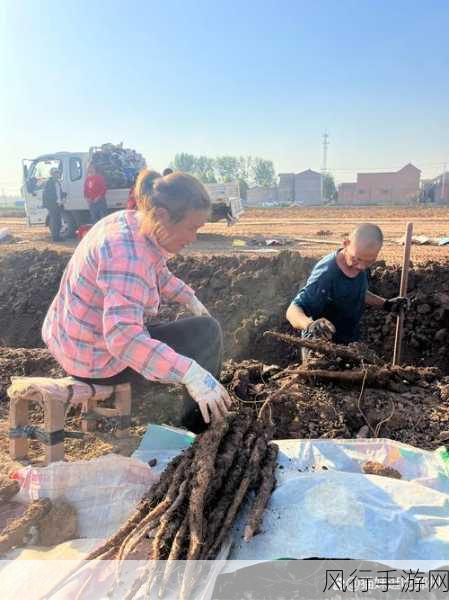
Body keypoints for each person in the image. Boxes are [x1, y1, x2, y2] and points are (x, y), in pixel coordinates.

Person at [42, 169, 232, 433]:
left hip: (72, 340)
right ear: (164, 216)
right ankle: (200, 431)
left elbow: (157, 270)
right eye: (191, 228)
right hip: (96, 361)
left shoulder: (131, 222)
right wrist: (190, 373)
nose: (193, 238)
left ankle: (199, 408)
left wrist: (189, 298)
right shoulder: (128, 258)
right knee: (206, 333)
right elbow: (123, 338)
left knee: (187, 328)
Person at [286, 223, 408, 355]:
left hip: (349, 342)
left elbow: (357, 292)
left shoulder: (358, 265)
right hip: (321, 347)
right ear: (345, 243)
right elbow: (293, 310)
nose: (361, 267)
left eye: (369, 262)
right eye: (357, 259)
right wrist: (310, 325)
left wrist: (386, 304)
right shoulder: (327, 274)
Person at [42, 167, 65, 241]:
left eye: (57, 172)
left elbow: (58, 192)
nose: (57, 174)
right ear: (52, 174)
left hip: (58, 204)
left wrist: (63, 196)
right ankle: (55, 238)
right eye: (55, 173)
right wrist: (56, 201)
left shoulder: (57, 182)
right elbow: (47, 194)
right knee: (55, 221)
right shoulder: (49, 182)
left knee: (58, 221)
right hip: (52, 205)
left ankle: (57, 236)